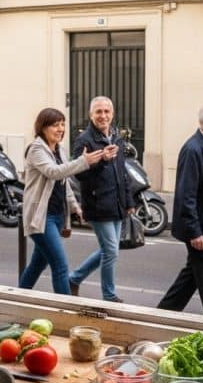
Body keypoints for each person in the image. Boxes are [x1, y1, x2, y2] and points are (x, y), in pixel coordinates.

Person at [156, 102, 203, 318]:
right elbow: (186, 194)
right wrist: (194, 230)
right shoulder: (193, 149)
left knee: (192, 276)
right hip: (200, 227)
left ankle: (163, 315)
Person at [18, 108, 102, 294]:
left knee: (37, 265)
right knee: (61, 266)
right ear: (43, 127)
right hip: (41, 217)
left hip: (57, 215)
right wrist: (83, 162)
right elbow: (54, 172)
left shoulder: (60, 150)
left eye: (62, 124)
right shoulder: (36, 149)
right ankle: (65, 309)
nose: (60, 129)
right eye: (55, 125)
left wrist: (75, 206)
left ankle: (19, 297)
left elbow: (64, 183)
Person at [68, 96, 136, 303]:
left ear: (112, 114)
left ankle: (75, 278)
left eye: (106, 111)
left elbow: (122, 172)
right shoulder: (84, 140)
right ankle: (109, 295)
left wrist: (129, 201)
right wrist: (101, 161)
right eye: (98, 112)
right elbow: (78, 174)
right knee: (111, 251)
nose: (103, 116)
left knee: (110, 249)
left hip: (116, 202)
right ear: (91, 115)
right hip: (98, 204)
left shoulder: (116, 136)